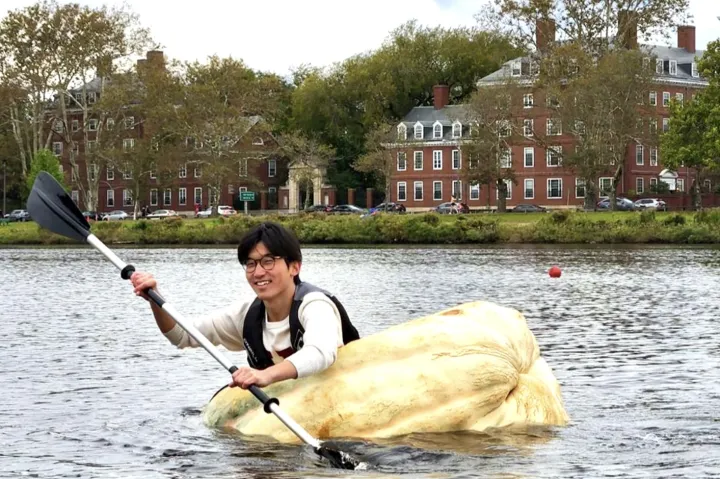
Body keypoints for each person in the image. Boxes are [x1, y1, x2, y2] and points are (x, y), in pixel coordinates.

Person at [130, 222, 360, 390]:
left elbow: (320, 353)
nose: (258, 272)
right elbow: (181, 335)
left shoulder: (315, 305)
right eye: (250, 264)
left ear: (294, 267)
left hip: (347, 396)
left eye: (268, 261)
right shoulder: (246, 315)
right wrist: (155, 300)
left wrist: (265, 376)